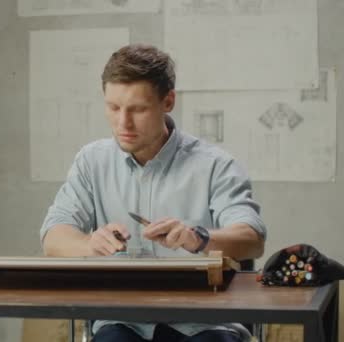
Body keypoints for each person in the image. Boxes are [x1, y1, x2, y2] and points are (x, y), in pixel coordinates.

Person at [39, 44, 266, 342]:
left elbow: (252, 240)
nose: (123, 123)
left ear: (168, 101)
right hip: (122, 322)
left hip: (206, 323)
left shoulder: (215, 165)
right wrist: (90, 243)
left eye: (138, 109)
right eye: (114, 107)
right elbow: (53, 237)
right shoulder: (91, 161)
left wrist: (198, 239)